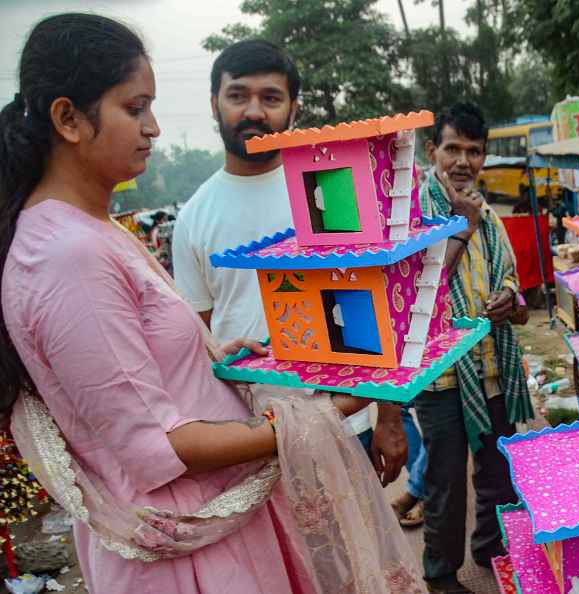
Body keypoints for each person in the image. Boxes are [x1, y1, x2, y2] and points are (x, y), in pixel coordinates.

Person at [0, 14, 424, 594]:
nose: (152, 129)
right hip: (187, 552)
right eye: (134, 108)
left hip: (221, 514)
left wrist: (212, 359)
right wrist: (320, 415)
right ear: (68, 119)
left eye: (150, 108)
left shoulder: (88, 233)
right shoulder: (69, 254)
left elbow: (133, 380)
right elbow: (159, 448)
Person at [172, 40, 407, 486]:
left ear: (293, 107)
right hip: (248, 434)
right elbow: (196, 337)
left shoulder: (330, 191)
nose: (254, 111)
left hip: (342, 418)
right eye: (238, 95)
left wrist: (390, 417)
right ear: (215, 104)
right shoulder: (193, 217)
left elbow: (377, 304)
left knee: (352, 553)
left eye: (271, 98)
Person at [415, 103, 534, 594]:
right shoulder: (415, 215)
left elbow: (515, 289)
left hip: (492, 371)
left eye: (474, 151)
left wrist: (512, 301)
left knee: (498, 476)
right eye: (453, 149)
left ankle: (492, 549)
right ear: (432, 151)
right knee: (445, 486)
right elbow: (419, 290)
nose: (463, 161)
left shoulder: (491, 217)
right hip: (441, 377)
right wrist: (460, 227)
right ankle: (441, 577)